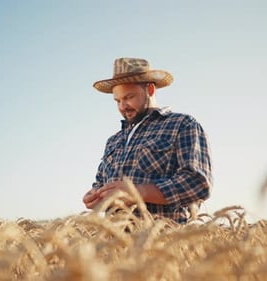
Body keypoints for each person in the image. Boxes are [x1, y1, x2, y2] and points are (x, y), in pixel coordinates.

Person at [82, 57, 212, 223]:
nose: (122, 106)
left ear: (150, 89)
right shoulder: (113, 141)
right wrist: (96, 195)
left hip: (164, 242)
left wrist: (137, 192)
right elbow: (101, 182)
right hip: (115, 244)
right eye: (118, 101)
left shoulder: (182, 125)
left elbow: (198, 183)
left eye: (129, 97)